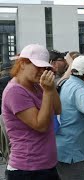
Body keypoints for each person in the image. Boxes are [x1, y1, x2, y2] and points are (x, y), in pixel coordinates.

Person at [2, 44, 61, 179]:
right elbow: (40, 125)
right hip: (27, 169)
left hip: (43, 165)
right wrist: (47, 91)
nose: (42, 71)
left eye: (45, 67)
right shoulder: (15, 91)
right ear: (22, 63)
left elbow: (58, 109)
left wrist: (51, 88)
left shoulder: (37, 85)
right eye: (37, 66)